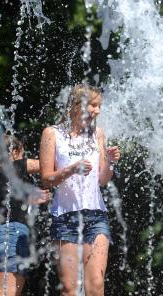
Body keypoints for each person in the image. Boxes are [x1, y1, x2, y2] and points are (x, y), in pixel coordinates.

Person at [39, 84, 121, 296]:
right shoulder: (52, 134)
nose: (98, 111)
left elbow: (102, 180)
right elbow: (47, 179)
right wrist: (72, 169)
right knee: (70, 288)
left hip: (96, 216)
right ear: (77, 105)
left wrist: (110, 163)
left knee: (95, 284)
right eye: (93, 105)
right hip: (65, 217)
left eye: (99, 106)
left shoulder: (98, 134)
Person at [0, 135, 51, 296]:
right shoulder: (16, 165)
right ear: (14, 151)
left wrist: (29, 198)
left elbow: (7, 205)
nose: (23, 157)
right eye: (22, 153)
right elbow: (47, 165)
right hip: (12, 236)